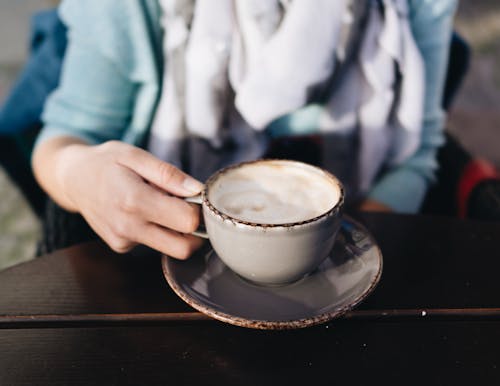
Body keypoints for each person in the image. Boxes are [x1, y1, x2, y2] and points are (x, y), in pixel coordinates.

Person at [32, 0, 457, 259]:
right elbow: (65, 139)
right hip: (163, 263)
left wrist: (343, 255)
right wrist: (78, 173)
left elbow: (416, 158)